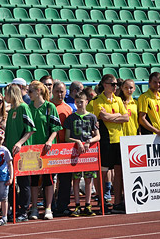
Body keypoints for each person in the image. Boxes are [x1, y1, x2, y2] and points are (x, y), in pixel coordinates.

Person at [92, 74, 129, 213]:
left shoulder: (118, 99)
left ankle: (117, 201)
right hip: (105, 139)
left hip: (119, 139)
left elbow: (126, 118)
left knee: (118, 172)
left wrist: (111, 117)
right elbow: (103, 117)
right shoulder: (97, 100)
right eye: (112, 84)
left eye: (116, 84)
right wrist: (117, 117)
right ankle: (102, 201)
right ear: (105, 84)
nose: (115, 86)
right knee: (103, 172)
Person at [27, 80, 62, 220]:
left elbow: (56, 128)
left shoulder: (49, 107)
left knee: (48, 179)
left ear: (38, 91)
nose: (28, 94)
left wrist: (49, 141)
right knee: (34, 179)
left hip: (47, 149)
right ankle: (34, 207)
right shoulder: (28, 107)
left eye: (30, 91)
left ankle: (48, 208)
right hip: (32, 149)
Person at [65, 88, 100, 217]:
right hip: (75, 152)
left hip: (88, 152)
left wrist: (88, 141)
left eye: (82, 102)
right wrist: (77, 142)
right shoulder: (71, 118)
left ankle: (88, 204)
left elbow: (98, 136)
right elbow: (67, 137)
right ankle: (77, 205)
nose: (80, 104)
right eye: (77, 102)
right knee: (76, 179)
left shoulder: (92, 117)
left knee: (89, 178)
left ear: (86, 102)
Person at [2, 84, 35, 222]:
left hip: (23, 151)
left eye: (6, 94)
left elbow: (31, 129)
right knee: (10, 182)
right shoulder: (11, 111)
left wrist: (20, 143)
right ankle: (14, 209)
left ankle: (23, 210)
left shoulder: (23, 107)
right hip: (11, 151)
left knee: (23, 182)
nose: (4, 97)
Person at [51, 81, 74, 216]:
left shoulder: (68, 108)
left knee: (65, 179)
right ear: (52, 92)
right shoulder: (48, 106)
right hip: (51, 148)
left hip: (64, 148)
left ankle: (63, 205)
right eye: (57, 91)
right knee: (49, 179)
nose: (60, 94)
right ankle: (50, 204)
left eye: (62, 91)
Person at [138, 72, 160, 137]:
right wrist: (157, 131)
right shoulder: (144, 97)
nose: (157, 84)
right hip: (148, 135)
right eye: (155, 82)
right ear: (149, 82)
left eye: (159, 82)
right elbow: (141, 119)